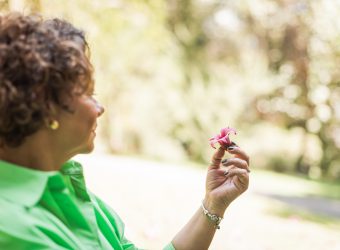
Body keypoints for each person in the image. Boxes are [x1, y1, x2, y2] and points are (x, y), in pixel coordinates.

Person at [0, 13, 250, 250]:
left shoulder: (75, 192)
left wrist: (213, 204)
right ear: (44, 104)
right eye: (87, 93)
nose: (100, 107)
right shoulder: (10, 224)